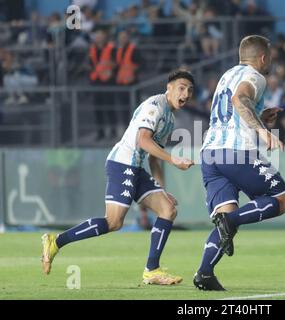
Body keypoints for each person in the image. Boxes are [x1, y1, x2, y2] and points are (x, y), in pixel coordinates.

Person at [41, 70, 195, 285]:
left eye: (190, 90)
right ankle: (56, 241)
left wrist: (162, 190)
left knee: (168, 209)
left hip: (136, 167)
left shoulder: (169, 118)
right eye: (181, 87)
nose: (186, 93)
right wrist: (174, 159)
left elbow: (154, 158)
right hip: (122, 163)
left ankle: (152, 270)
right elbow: (143, 140)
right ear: (168, 88)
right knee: (113, 222)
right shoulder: (155, 106)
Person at [193, 35, 285, 291]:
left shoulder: (227, 74)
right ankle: (231, 221)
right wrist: (262, 131)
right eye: (269, 56)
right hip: (235, 151)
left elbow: (231, 107)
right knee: (281, 200)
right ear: (262, 58)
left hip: (210, 153)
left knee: (226, 216)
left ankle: (204, 273)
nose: (270, 61)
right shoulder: (256, 76)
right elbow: (239, 100)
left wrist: (260, 117)